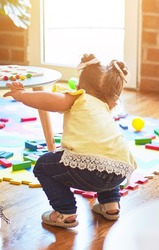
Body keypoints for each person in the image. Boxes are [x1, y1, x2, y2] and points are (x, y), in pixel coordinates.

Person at [3, 54, 137, 228]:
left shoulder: (79, 96)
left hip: (90, 171)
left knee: (43, 166)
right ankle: (111, 204)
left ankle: (65, 211)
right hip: (120, 170)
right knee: (105, 157)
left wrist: (21, 95)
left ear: (81, 85)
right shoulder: (104, 107)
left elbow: (48, 101)